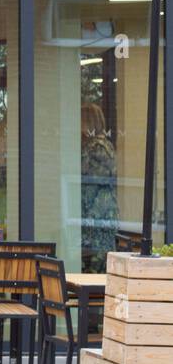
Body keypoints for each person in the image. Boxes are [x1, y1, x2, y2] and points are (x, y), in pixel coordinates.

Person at [79, 101, 118, 272]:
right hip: (99, 219)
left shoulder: (97, 148)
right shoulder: (101, 146)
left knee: (96, 270)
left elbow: (90, 183)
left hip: (97, 221)